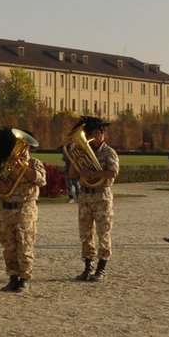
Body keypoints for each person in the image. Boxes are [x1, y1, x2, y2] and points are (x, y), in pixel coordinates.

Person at [0, 127, 46, 292]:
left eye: (24, 145)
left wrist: (22, 167)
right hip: (6, 210)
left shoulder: (35, 163)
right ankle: (12, 277)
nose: (22, 148)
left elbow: (40, 179)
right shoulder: (5, 163)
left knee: (25, 246)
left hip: (25, 211)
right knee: (8, 246)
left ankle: (24, 279)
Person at [73, 117, 120, 282]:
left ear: (104, 134)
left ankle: (101, 268)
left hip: (102, 196)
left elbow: (112, 173)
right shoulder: (84, 151)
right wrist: (78, 168)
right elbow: (72, 173)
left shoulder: (109, 152)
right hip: (85, 196)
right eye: (92, 133)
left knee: (103, 232)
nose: (95, 135)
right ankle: (87, 266)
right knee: (85, 234)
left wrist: (93, 174)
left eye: (99, 132)